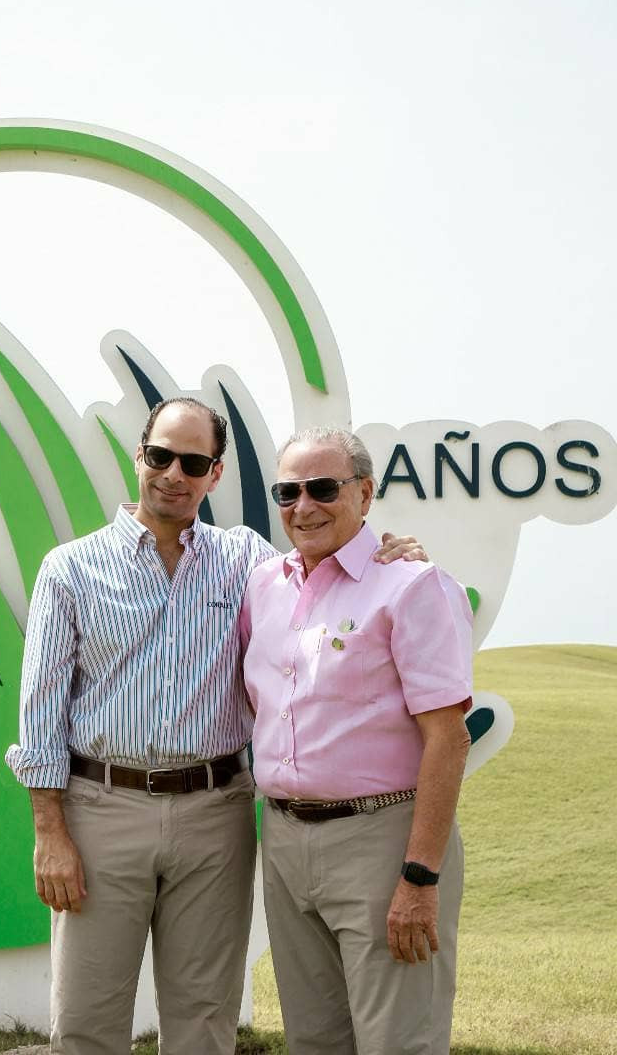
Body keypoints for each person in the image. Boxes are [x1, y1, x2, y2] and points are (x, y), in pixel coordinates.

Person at [6, 399, 422, 1055]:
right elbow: (40, 718)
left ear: (215, 474)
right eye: (161, 455)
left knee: (204, 1023)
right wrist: (50, 834)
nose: (174, 472)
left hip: (214, 819)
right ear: (138, 456)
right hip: (99, 813)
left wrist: (389, 553)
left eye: (192, 462)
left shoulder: (249, 562)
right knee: (86, 1023)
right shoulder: (70, 569)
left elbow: (327, 568)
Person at [240, 426, 473, 1055]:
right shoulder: (263, 586)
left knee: (399, 1042)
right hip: (285, 841)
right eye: (288, 491)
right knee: (313, 1042)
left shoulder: (413, 586)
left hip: (382, 842)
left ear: (365, 493)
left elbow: (448, 739)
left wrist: (419, 878)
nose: (303, 505)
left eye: (322, 487)